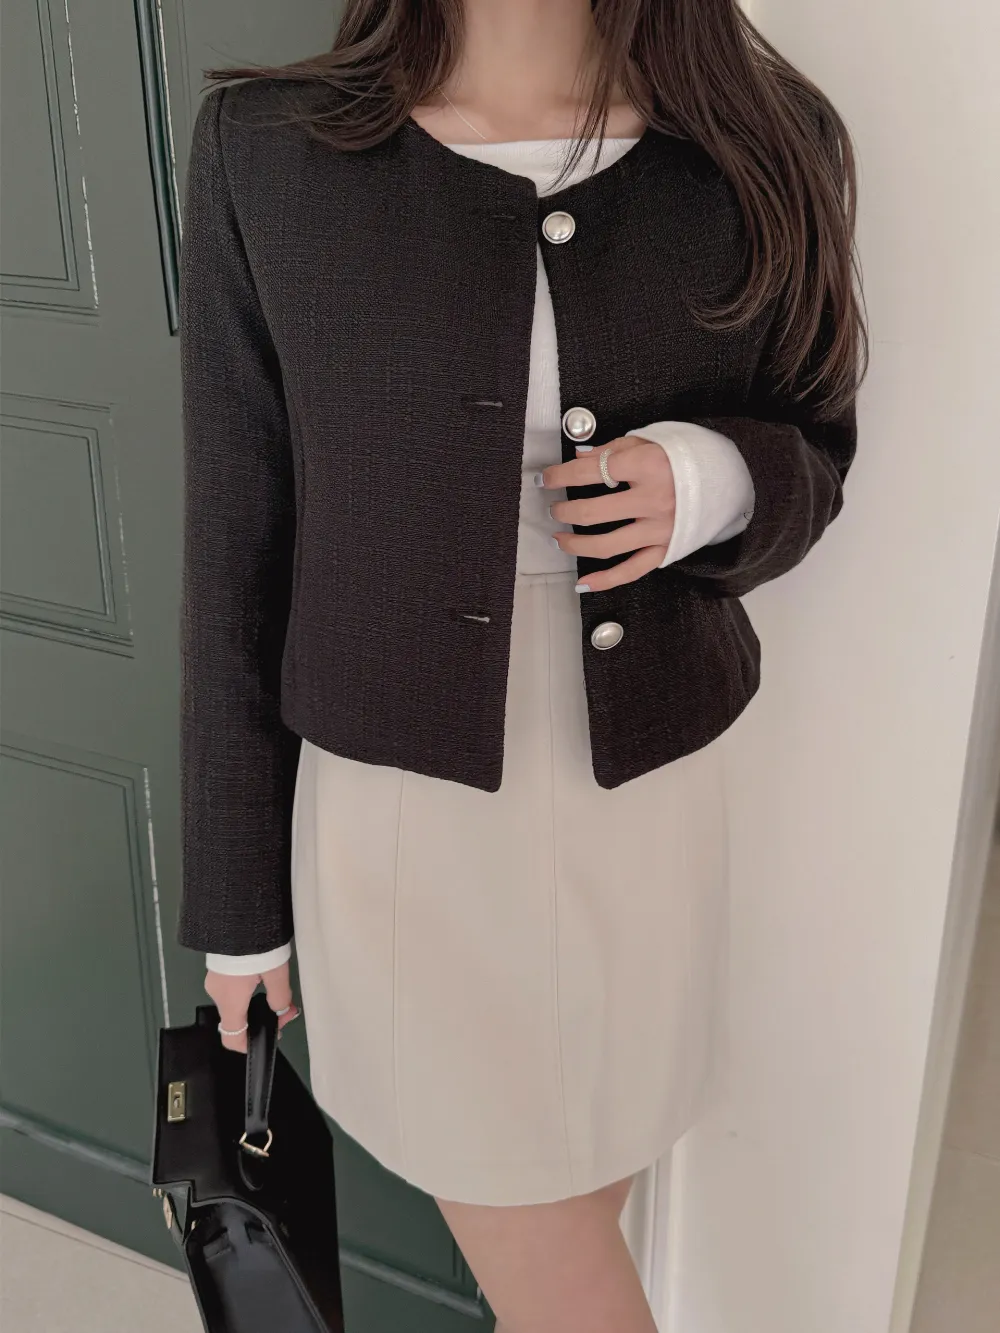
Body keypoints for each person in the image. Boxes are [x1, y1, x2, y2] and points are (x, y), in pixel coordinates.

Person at [176, 2, 865, 1329]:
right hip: (405, 814)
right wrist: (237, 901)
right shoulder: (266, 153)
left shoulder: (767, 144)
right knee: (547, 1254)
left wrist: (709, 481)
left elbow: (818, 445)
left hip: (648, 791)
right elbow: (234, 541)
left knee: (579, 1196)